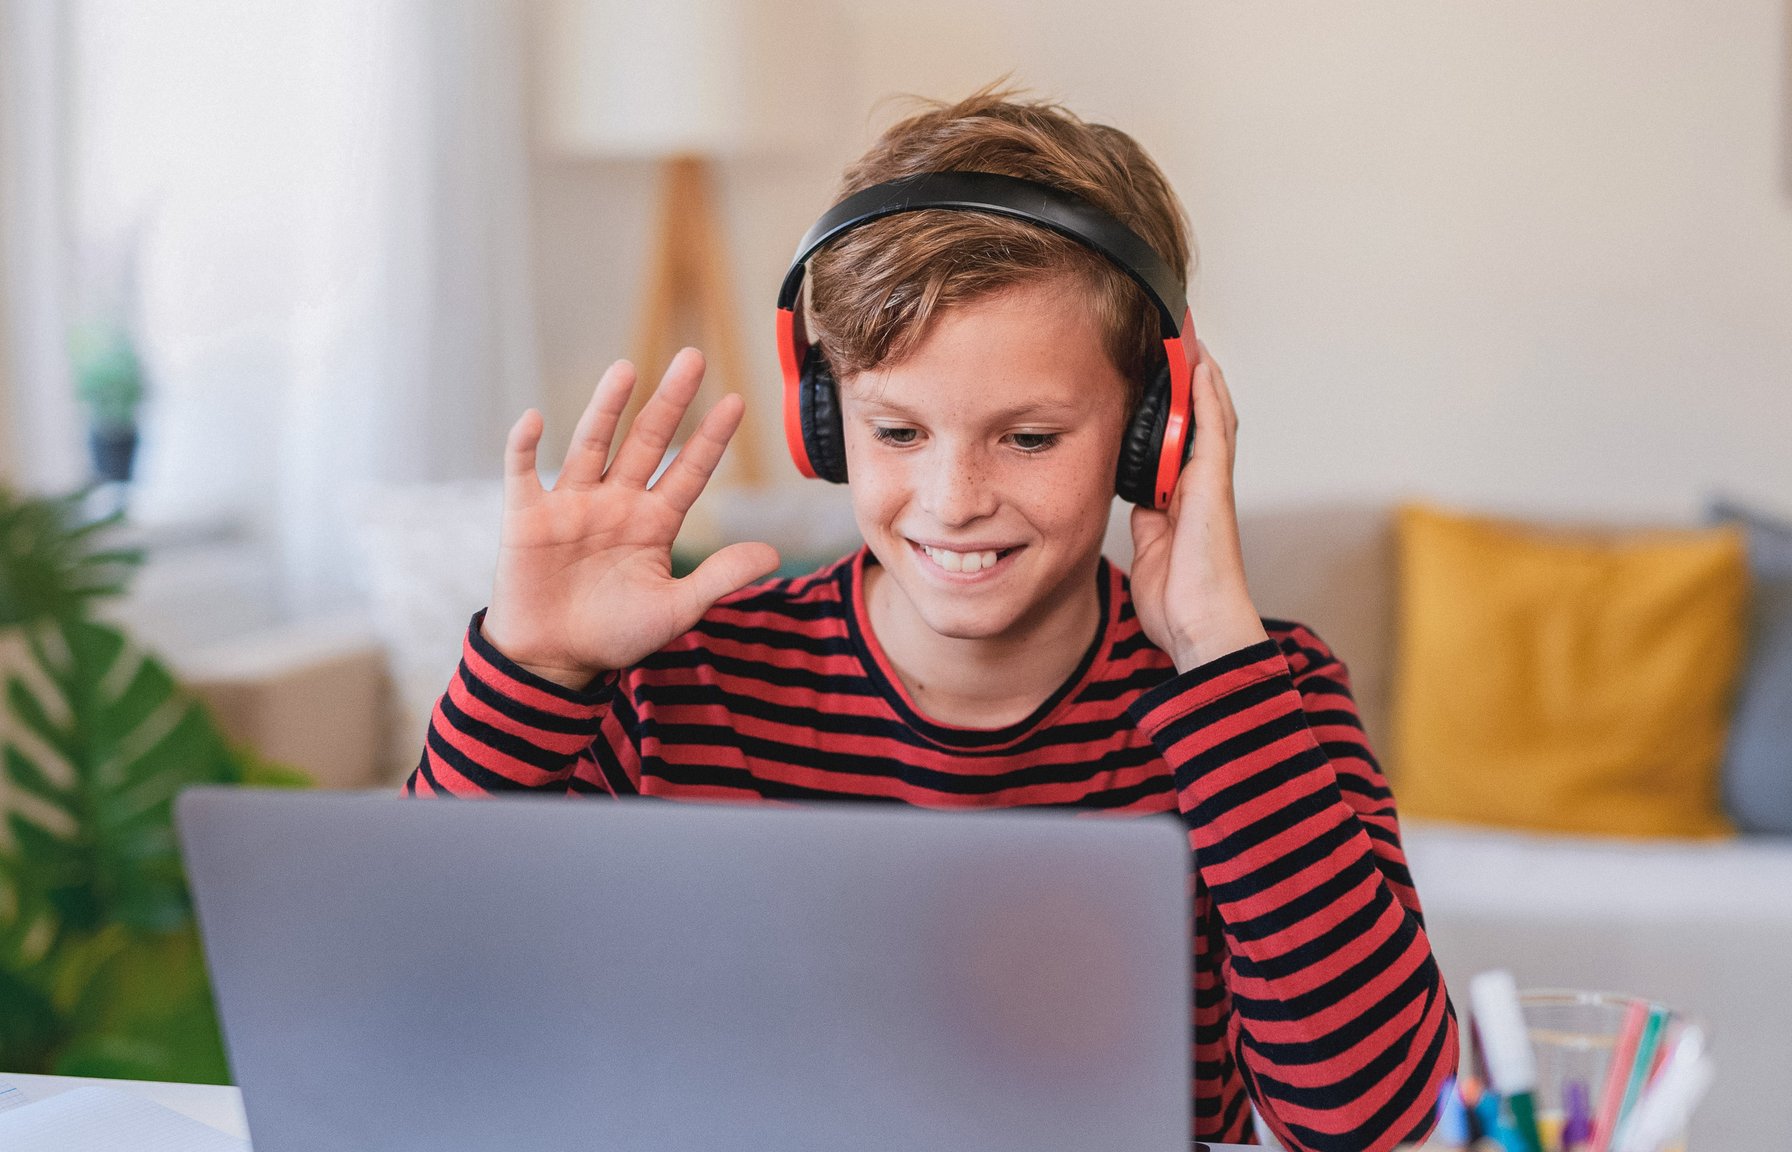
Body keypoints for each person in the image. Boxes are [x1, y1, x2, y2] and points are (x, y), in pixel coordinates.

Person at [406, 85, 1459, 1151]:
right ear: (826, 419)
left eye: (1031, 438)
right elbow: (415, 1014)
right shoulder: (686, 684)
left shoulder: (1260, 697)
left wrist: (1214, 661)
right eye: (898, 431)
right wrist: (530, 671)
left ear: (1156, 431)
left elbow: (1373, 1119)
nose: (953, 499)